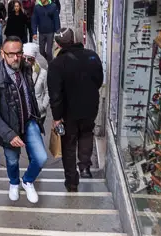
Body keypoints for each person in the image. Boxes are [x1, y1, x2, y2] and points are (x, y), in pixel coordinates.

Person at [0, 36, 47, 203]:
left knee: (41, 157)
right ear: (3, 54)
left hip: (29, 121)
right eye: (11, 54)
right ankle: (13, 182)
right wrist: (9, 134)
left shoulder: (25, 68)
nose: (15, 58)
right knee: (12, 160)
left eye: (18, 53)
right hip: (8, 128)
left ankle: (27, 181)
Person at [47, 28, 103, 192]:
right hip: (90, 106)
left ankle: (72, 182)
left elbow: (55, 94)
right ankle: (85, 167)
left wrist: (57, 117)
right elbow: (99, 80)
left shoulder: (56, 64)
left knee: (68, 144)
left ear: (57, 44)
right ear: (74, 39)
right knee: (86, 133)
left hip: (68, 112)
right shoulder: (92, 56)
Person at [23, 43, 49, 125]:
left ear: (34, 59)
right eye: (24, 58)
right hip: (23, 115)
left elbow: (48, 91)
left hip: (39, 114)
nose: (26, 61)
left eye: (29, 59)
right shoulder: (18, 73)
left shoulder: (42, 72)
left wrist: (43, 106)